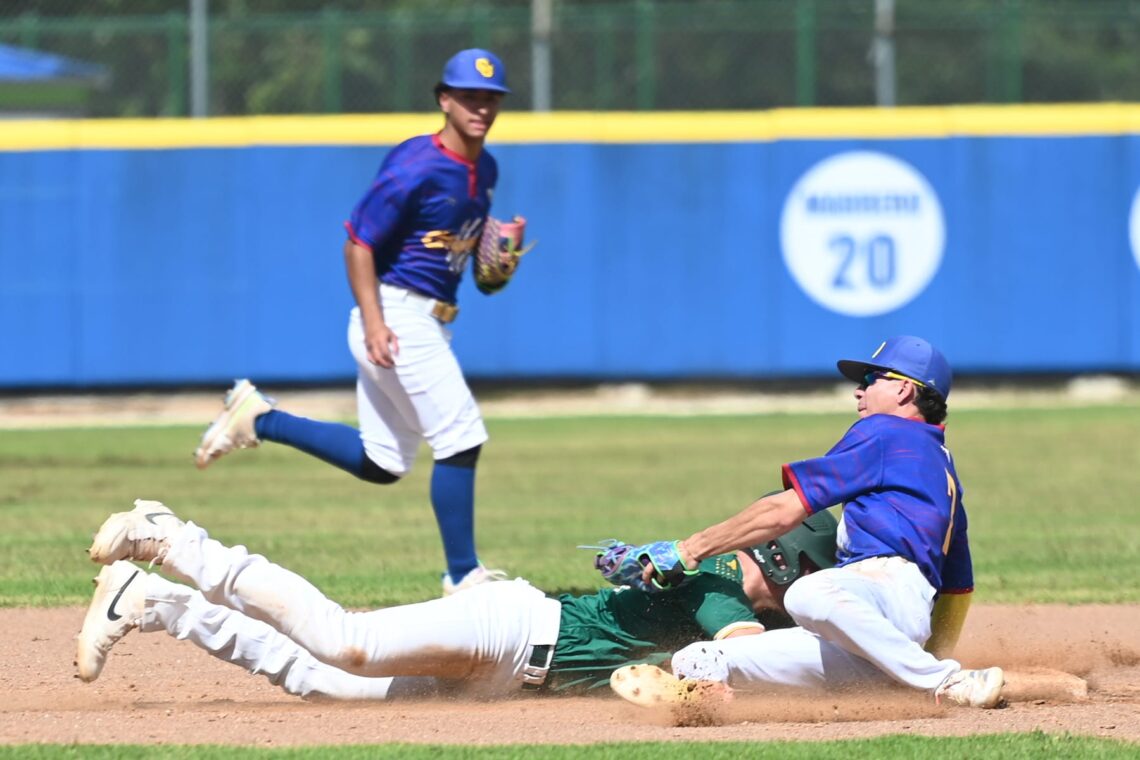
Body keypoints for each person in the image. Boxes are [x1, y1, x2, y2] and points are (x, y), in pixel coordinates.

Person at [191, 49, 525, 595]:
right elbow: (359, 243)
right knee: (461, 435)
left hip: (431, 319)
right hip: (395, 315)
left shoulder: (484, 169)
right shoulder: (416, 164)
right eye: (469, 97)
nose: (481, 108)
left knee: (383, 461)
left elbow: (475, 269)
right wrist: (374, 322)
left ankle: (259, 418)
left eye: (491, 98)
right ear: (444, 99)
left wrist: (496, 259)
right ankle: (464, 576)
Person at [74, 499, 838, 700]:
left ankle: (154, 603)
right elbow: (741, 646)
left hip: (513, 677)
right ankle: (172, 540)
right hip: (510, 630)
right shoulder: (716, 586)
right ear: (780, 560)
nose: (788, 604)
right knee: (349, 643)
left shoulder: (700, 578)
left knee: (326, 683)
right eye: (792, 585)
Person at [613, 335, 1005, 709]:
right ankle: (718, 709)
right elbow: (957, 589)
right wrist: (913, 655)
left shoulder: (887, 432)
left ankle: (942, 681)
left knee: (806, 594)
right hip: (879, 635)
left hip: (884, 593)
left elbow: (784, 510)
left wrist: (688, 549)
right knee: (699, 659)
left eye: (870, 380)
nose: (859, 391)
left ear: (904, 390)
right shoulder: (941, 466)